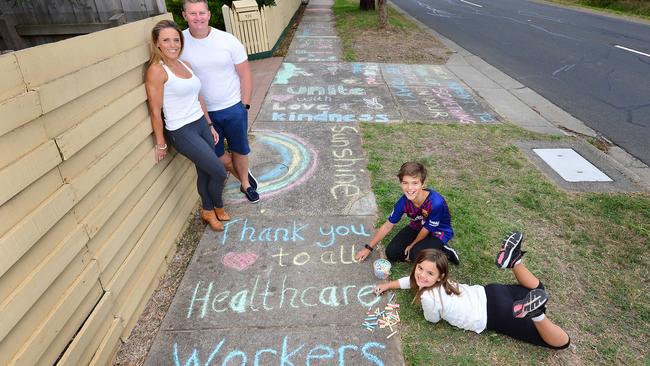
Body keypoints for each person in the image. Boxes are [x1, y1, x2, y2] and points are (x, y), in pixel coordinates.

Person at [374, 232, 571, 349]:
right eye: (420, 269)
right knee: (537, 288)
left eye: (428, 273)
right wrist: (389, 285)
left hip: (495, 313)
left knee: (561, 342)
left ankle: (536, 314)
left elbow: (431, 319)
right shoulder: (442, 281)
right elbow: (411, 281)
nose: (421, 276)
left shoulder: (428, 298)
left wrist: (420, 298)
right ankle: (514, 261)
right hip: (489, 293)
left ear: (440, 276)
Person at [145, 19, 230, 231]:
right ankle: (213, 207)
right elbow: (155, 111)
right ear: (157, 43)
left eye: (176, 40)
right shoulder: (157, 70)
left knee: (204, 171)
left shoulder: (185, 65)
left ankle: (211, 210)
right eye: (166, 40)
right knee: (219, 171)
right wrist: (161, 143)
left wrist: (210, 124)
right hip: (182, 131)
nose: (172, 44)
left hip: (201, 123)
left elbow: (198, 96)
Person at [180, 0, 259, 203]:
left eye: (201, 13)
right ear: (184, 15)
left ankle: (246, 184)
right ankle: (242, 174)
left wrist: (245, 105)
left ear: (209, 14)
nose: (198, 17)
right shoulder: (179, 43)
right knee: (216, 155)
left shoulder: (227, 40)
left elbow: (245, 74)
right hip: (201, 112)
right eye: (192, 13)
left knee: (240, 149)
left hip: (233, 107)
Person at [355, 162, 459, 264]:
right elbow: (388, 225)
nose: (410, 188)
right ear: (401, 183)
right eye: (405, 183)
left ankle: (443, 249)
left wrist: (413, 244)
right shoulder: (403, 202)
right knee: (392, 253)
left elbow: (427, 229)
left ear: (423, 183)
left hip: (438, 231)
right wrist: (369, 248)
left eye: (415, 183)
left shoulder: (436, 203)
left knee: (415, 254)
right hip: (418, 226)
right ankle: (426, 246)